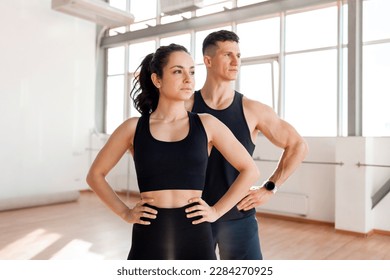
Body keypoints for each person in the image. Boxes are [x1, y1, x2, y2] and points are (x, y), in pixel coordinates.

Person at [86, 43, 259, 260]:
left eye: (192, 72)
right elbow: (95, 175)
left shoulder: (207, 124)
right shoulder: (133, 127)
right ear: (157, 79)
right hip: (149, 232)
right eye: (178, 71)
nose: (188, 79)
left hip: (196, 232)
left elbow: (250, 170)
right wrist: (124, 212)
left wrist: (216, 211)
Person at [186, 30, 308, 260]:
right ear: (208, 60)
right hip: (194, 216)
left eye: (239, 56)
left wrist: (270, 187)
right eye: (228, 55)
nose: (236, 62)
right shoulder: (186, 106)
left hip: (238, 217)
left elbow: (297, 145)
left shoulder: (253, 110)